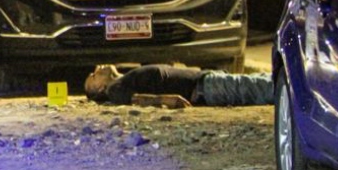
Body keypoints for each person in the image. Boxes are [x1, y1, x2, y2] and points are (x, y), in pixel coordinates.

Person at [85, 64, 273, 107]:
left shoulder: (124, 77)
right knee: (263, 87)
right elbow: (136, 100)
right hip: (202, 88)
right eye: (93, 76)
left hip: (204, 80)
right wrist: (169, 100)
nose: (97, 69)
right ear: (100, 89)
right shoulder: (114, 89)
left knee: (260, 81)